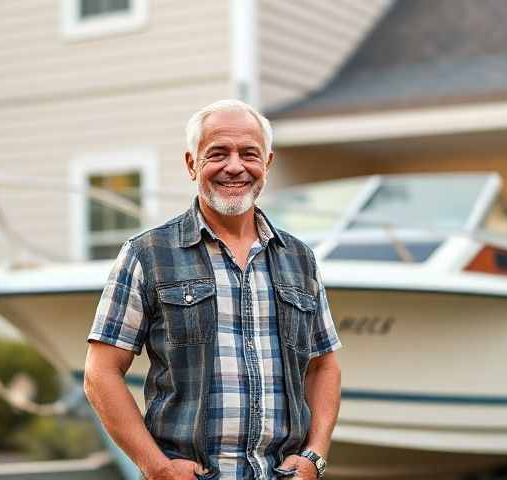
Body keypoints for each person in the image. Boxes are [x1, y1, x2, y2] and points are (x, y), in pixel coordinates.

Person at [83, 99, 342, 480]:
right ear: (192, 164)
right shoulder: (148, 254)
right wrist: (157, 467)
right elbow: (100, 373)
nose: (235, 166)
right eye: (218, 153)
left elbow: (324, 367)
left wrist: (315, 456)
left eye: (249, 154)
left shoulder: (300, 258)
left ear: (267, 163)